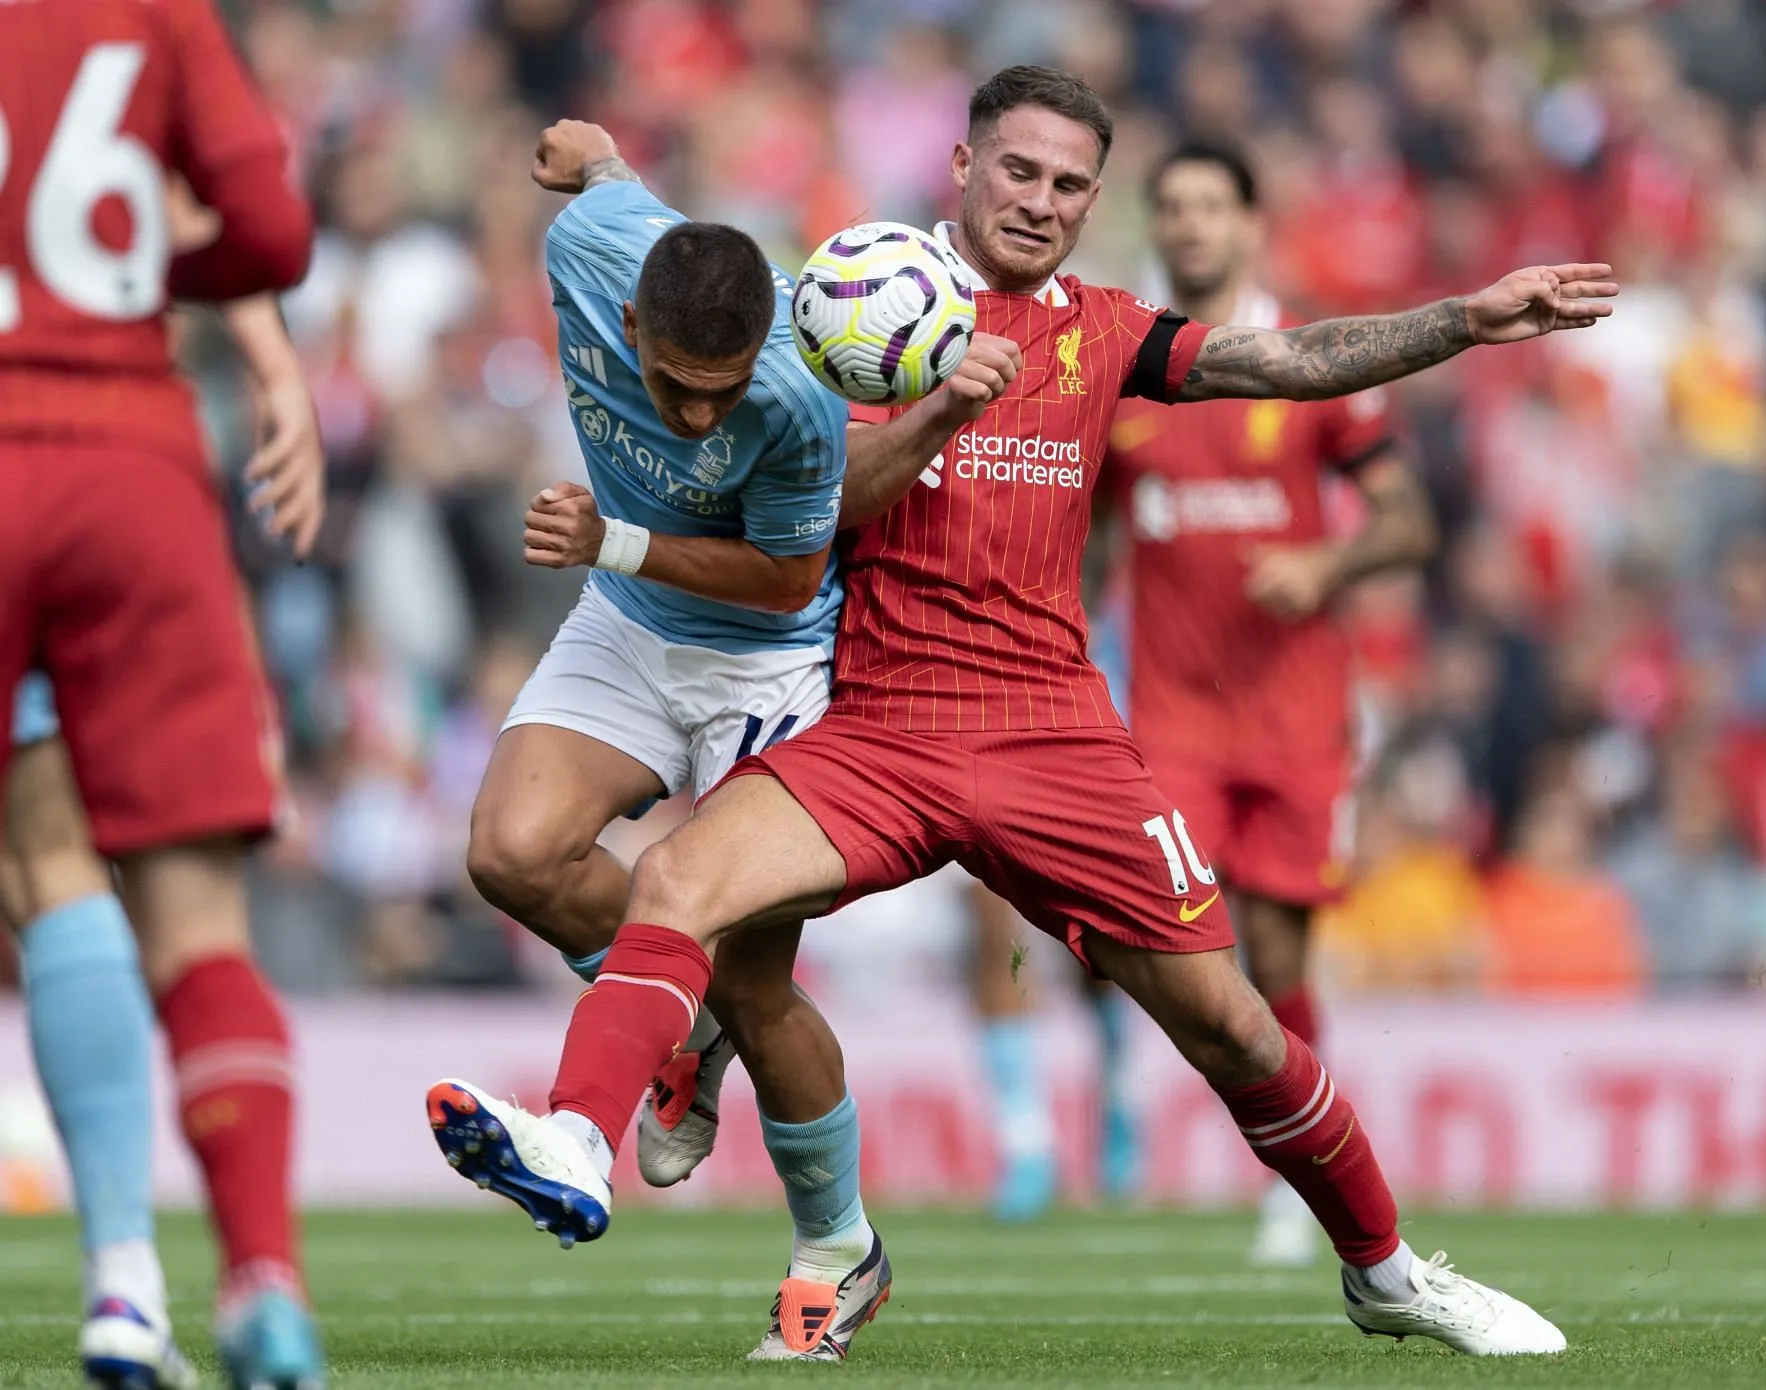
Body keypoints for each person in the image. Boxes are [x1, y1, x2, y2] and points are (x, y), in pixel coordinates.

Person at [433, 65, 1612, 1357]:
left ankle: (1386, 1270)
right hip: (881, 721)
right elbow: (816, 516)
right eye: (1019, 172)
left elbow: (1280, 356)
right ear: (963, 165)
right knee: (674, 879)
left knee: (1230, 1021)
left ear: (1091, 199)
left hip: (1054, 732)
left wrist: (1463, 317)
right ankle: (577, 1137)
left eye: (1067, 184)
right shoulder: (851, 303)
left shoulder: (1104, 329)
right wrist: (945, 399)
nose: (1040, 202)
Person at [433, 118, 1015, 1362]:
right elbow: (604, 179)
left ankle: (836, 1249)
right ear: (629, 328)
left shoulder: (802, 395)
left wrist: (615, 539)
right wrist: (581, 149)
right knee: (510, 852)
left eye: (726, 385)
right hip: (634, 622)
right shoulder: (594, 252)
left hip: (768, 651)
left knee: (750, 974)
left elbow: (782, 574)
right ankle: (670, 1020)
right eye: (675, 385)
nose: (701, 415)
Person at [0, 4, 323, 1386]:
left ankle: (127, 1274)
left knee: (43, 853)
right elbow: (242, 218)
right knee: (190, 914)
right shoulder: (150, 12)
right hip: (123, 460)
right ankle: (247, 1280)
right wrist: (255, 349)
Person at [1102, 140, 1439, 1265]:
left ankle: (1300, 1172)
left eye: (1213, 206)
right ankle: (1116, 1096)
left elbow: (1410, 520)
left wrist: (1325, 569)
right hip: (1172, 719)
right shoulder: (1123, 369)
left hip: (1296, 717)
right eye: (1175, 206)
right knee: (1143, 936)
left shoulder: (1307, 362)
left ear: (1251, 224)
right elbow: (1083, 533)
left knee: (1281, 960)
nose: (1193, 225)